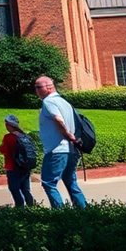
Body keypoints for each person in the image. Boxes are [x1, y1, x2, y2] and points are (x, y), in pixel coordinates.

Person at [34, 76, 87, 208]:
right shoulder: (64, 102)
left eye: (38, 87)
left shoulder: (49, 101)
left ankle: (60, 213)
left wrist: (67, 134)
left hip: (57, 149)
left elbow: (58, 119)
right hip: (71, 149)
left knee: (48, 183)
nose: (36, 90)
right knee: (71, 181)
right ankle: (84, 211)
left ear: (49, 87)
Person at [0, 113, 35, 207]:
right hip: (25, 166)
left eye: (6, 124)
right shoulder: (24, 136)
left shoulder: (8, 137)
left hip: (12, 167)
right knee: (25, 189)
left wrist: (0, 147)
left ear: (9, 125)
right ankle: (31, 207)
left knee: (14, 189)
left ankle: (19, 207)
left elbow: (3, 150)